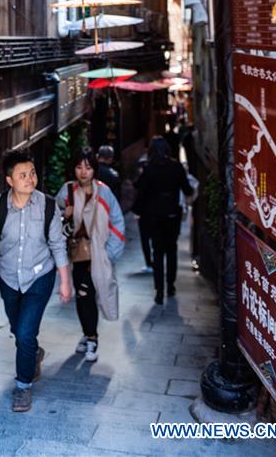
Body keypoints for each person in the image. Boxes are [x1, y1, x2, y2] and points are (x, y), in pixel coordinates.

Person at [0, 151, 71, 413]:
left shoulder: (48, 206)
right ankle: (34, 353)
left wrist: (64, 281)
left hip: (40, 276)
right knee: (19, 332)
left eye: (32, 173)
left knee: (26, 332)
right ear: (10, 180)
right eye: (23, 175)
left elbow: (58, 245)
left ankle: (23, 386)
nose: (30, 179)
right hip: (9, 278)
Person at [56, 150, 125, 363]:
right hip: (78, 253)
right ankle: (90, 335)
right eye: (79, 167)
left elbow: (117, 222)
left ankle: (91, 337)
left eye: (88, 167)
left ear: (94, 169)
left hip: (99, 252)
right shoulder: (67, 191)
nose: (83, 172)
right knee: (83, 295)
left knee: (91, 293)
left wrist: (109, 253)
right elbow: (54, 222)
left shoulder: (104, 193)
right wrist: (63, 215)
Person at [134, 136, 193, 305]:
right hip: (172, 215)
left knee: (157, 252)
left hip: (153, 216)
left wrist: (138, 211)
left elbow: (140, 189)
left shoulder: (149, 169)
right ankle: (171, 285)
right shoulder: (176, 167)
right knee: (171, 250)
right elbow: (187, 190)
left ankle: (159, 291)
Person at [132, 155, 153, 274]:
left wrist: (137, 212)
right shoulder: (155, 176)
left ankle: (149, 263)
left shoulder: (143, 177)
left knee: (145, 239)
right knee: (155, 239)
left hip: (145, 213)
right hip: (156, 212)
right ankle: (154, 262)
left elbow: (136, 187)